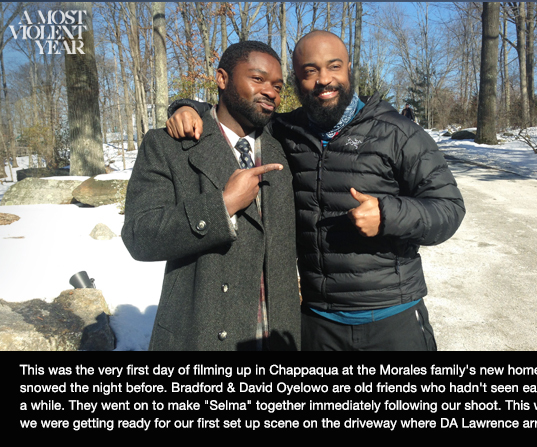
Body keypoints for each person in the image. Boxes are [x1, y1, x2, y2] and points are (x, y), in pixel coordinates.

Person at [166, 31, 465, 351]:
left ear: (349, 69)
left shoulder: (398, 132)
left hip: (393, 320)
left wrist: (389, 214)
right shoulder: (285, 131)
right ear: (296, 79)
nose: (324, 79)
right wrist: (188, 107)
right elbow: (237, 111)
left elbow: (449, 207)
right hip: (318, 323)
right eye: (310, 71)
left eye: (334, 67)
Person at [122, 41, 300, 351]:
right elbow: (140, 235)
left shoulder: (283, 145)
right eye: (257, 79)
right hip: (202, 336)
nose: (271, 91)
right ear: (222, 78)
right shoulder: (168, 146)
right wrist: (223, 205)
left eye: (277, 85)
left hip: (276, 333)